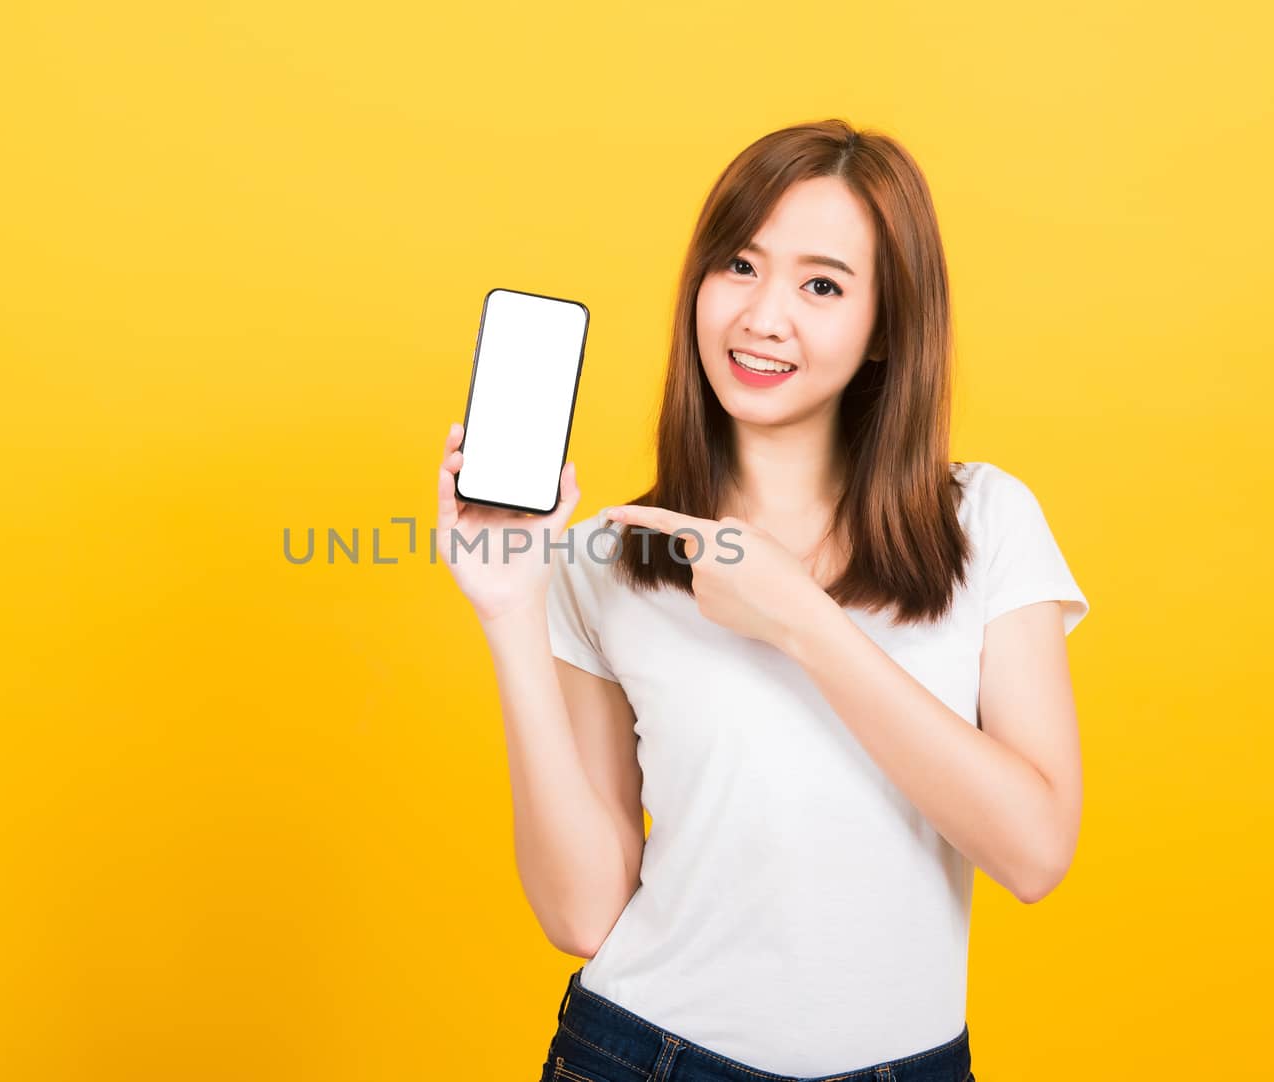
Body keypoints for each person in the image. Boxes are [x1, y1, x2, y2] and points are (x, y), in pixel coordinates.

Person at [436, 118, 1088, 1082]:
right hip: (644, 1056)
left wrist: (799, 617)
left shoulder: (986, 522)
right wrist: (509, 612)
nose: (762, 316)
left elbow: (1033, 853)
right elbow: (580, 915)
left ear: (884, 331)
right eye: (738, 266)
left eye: (822, 284)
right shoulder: (612, 558)